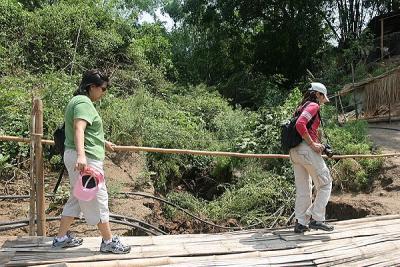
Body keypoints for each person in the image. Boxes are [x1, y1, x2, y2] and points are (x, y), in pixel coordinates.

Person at [52, 69, 131, 254]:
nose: (104, 92)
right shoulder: (84, 103)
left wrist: (103, 143)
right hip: (86, 161)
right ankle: (108, 241)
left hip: (79, 156)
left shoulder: (77, 101)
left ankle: (61, 238)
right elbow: (79, 129)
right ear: (92, 87)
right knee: (98, 199)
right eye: (103, 89)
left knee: (77, 199)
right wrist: (82, 156)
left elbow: (84, 132)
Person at [290, 82, 334, 233]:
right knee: (325, 183)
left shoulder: (300, 107)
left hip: (295, 152)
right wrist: (313, 145)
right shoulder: (313, 106)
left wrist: (316, 143)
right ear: (317, 94)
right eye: (322, 97)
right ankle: (316, 218)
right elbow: (300, 124)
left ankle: (301, 222)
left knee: (304, 189)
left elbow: (301, 125)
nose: (323, 100)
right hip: (306, 150)